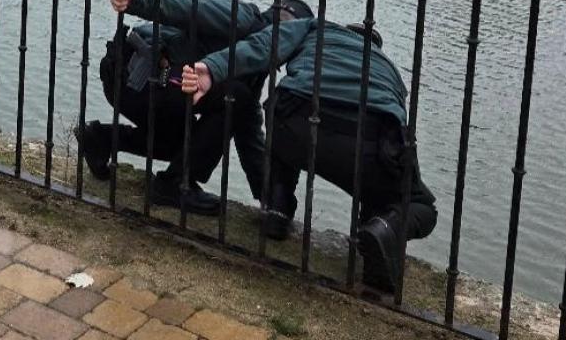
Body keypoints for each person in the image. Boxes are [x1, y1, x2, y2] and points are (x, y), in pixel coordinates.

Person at [181, 18, 438, 292]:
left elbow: (263, 45)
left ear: (344, 31)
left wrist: (212, 68)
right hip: (366, 141)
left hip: (298, 121)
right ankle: (382, 228)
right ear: (376, 46)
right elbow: (396, 136)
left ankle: (276, 209)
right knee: (417, 203)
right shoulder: (389, 69)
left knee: (283, 114)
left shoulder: (315, 29)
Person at [77, 0, 312, 215]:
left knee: (182, 143)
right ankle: (176, 184)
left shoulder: (254, 66)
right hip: (137, 75)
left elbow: (247, 129)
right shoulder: (243, 18)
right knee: (235, 98)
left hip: (141, 83)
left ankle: (101, 138)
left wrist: (270, 198)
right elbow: (188, 8)